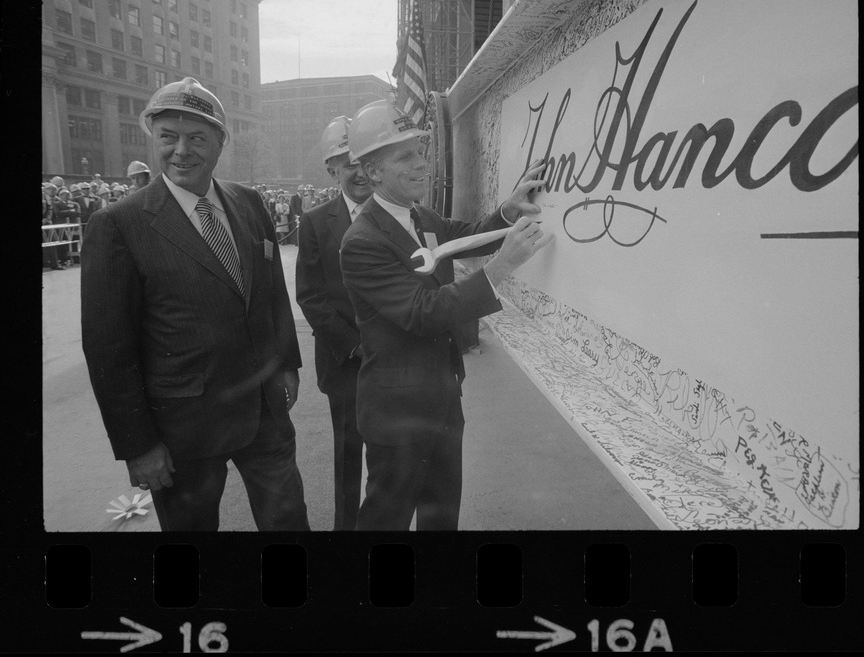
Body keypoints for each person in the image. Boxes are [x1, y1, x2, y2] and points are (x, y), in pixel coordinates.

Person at [80, 77, 310, 532]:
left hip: (263, 411)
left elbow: (271, 293)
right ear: (154, 140)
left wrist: (287, 362)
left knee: (290, 525)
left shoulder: (249, 202)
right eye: (168, 136)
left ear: (220, 143)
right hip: (182, 430)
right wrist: (138, 444)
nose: (181, 150)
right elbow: (108, 348)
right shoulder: (118, 224)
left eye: (197, 137)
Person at [339, 100, 551, 531]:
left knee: (441, 520)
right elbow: (422, 313)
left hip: (442, 401)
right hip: (397, 416)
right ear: (373, 172)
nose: (422, 163)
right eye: (405, 156)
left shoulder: (420, 217)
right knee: (386, 522)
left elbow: (467, 238)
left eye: (421, 150)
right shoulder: (361, 241)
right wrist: (501, 268)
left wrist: (509, 211)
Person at [295, 116, 370, 530]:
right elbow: (310, 296)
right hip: (346, 363)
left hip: (395, 362)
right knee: (348, 453)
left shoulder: (401, 215)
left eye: (363, 159)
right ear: (332, 170)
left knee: (393, 456)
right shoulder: (314, 221)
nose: (357, 170)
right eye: (346, 162)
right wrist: (356, 344)